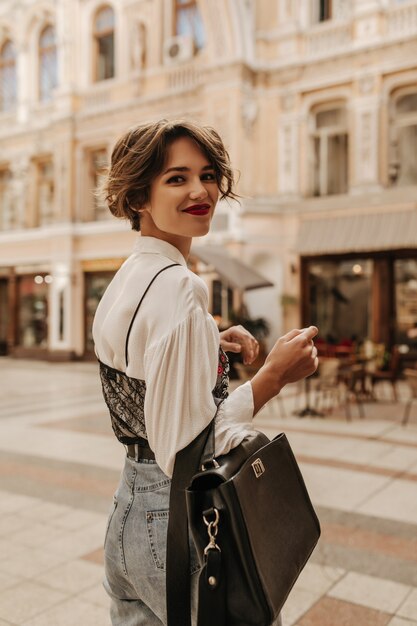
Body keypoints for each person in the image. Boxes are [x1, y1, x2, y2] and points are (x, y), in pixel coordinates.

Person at [92, 119, 319, 626]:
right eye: (176, 178)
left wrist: (206, 344)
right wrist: (274, 377)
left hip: (128, 509)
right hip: (179, 523)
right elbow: (187, 450)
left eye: (209, 174)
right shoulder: (180, 287)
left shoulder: (127, 277)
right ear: (138, 196)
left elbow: (136, 368)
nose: (201, 191)